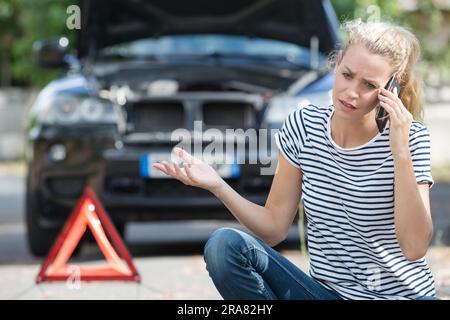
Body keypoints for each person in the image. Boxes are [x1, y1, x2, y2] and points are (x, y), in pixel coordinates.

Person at [152, 20, 439, 300]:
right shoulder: (303, 126)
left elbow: (414, 247)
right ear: (338, 62)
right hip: (325, 295)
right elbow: (274, 227)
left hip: (400, 297)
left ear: (392, 86)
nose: (351, 92)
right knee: (224, 246)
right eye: (348, 75)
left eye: (368, 85)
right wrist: (218, 185)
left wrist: (400, 153)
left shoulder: (411, 138)